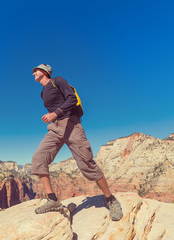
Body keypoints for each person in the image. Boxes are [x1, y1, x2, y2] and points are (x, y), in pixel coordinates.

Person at [31, 64, 123, 221]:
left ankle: (110, 199)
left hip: (71, 125)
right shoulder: (42, 93)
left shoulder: (57, 81)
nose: (33, 72)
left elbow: (71, 99)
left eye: (36, 70)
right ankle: (52, 200)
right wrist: (51, 116)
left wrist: (55, 113)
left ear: (45, 72)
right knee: (38, 160)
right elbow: (55, 107)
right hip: (55, 128)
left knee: (86, 164)